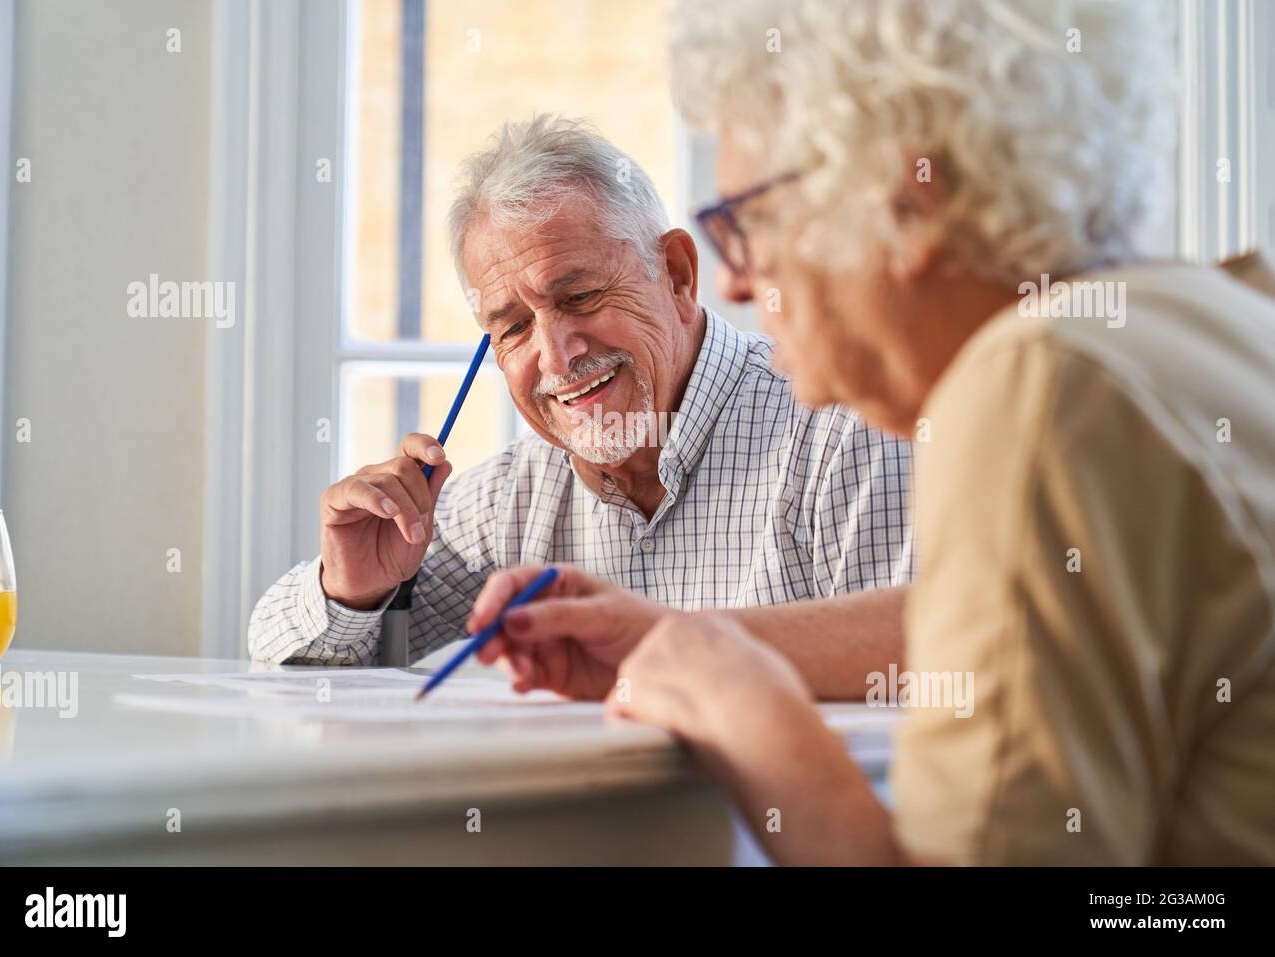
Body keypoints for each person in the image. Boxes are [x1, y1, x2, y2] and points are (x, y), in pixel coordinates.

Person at [472, 0, 1275, 864]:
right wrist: (689, 641)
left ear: (909, 201)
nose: (739, 287)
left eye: (754, 222)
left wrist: (746, 708)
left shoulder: (1038, 387)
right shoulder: (1220, 316)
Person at [249, 114, 913, 693]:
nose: (558, 355)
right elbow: (277, 660)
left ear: (678, 274)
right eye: (512, 327)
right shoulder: (515, 495)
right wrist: (352, 590)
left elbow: (921, 683)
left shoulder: (842, 435)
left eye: (580, 297)